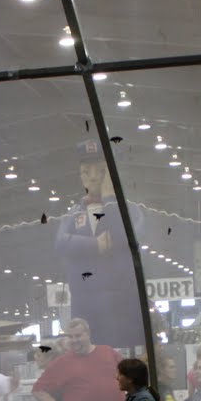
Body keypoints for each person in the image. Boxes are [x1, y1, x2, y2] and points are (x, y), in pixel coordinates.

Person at [53, 141, 147, 351]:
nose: (93, 177)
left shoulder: (130, 210)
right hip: (85, 308)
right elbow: (60, 243)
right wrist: (94, 245)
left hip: (122, 310)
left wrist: (110, 198)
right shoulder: (73, 213)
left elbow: (125, 235)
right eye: (86, 172)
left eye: (102, 172)